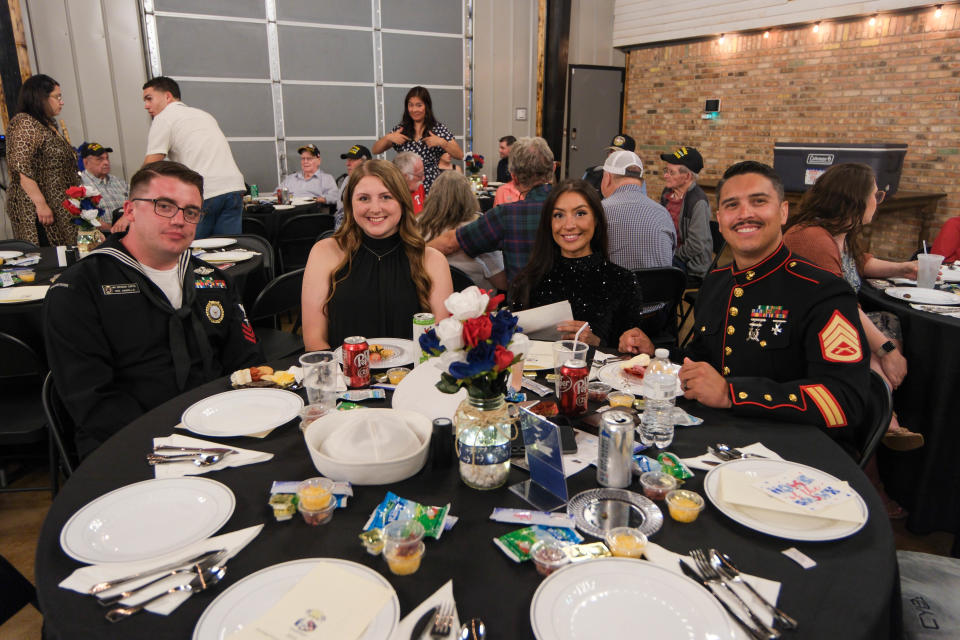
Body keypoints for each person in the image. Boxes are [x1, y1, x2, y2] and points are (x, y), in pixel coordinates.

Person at [620, 161, 871, 441]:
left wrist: (733, 394)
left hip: (787, 450)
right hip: (715, 436)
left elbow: (845, 402)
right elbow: (703, 358)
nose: (744, 214)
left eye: (759, 201)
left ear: (784, 212)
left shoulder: (822, 292)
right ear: (720, 219)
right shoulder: (717, 281)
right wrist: (656, 353)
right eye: (731, 205)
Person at [43, 161, 262, 458]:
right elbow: (92, 401)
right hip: (130, 446)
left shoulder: (215, 280)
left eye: (191, 211)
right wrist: (175, 443)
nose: (179, 220)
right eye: (164, 206)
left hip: (220, 430)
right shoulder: (79, 290)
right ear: (130, 210)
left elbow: (245, 362)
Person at [783, 162, 922, 451]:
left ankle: (882, 413)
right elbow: (840, 306)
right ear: (854, 199)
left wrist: (904, 268)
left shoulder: (838, 232)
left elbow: (860, 262)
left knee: (887, 319)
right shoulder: (811, 238)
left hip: (834, 319)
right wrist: (887, 350)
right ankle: (882, 418)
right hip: (805, 330)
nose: (878, 201)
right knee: (877, 335)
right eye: (876, 195)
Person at [301, 159, 453, 350]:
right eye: (364, 198)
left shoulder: (432, 260)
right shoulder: (325, 253)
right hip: (343, 376)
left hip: (412, 377)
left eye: (386, 197)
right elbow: (314, 340)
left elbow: (440, 342)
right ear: (350, 204)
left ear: (402, 201)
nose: (375, 208)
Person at [509, 179, 646, 349]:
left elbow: (629, 356)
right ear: (549, 223)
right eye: (559, 215)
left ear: (596, 219)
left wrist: (596, 343)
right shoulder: (527, 280)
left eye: (580, 213)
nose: (569, 225)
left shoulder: (623, 281)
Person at [428, 136, 555, 285]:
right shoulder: (575, 208)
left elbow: (450, 243)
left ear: (514, 178)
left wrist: (414, 257)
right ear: (553, 168)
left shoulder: (505, 215)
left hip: (526, 304)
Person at [142, 76, 245, 239]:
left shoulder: (163, 118)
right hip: (233, 188)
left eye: (149, 99)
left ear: (167, 96)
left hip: (206, 191)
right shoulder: (204, 115)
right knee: (228, 253)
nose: (146, 106)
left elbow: (151, 166)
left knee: (192, 251)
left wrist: (135, 203)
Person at [5, 74, 80, 246]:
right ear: (40, 97)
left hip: (59, 205)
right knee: (48, 256)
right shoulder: (24, 122)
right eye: (57, 97)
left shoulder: (47, 124)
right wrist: (41, 204)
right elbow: (20, 165)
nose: (61, 102)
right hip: (36, 209)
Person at [418, 171, 506, 291]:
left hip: (429, 301)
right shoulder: (478, 229)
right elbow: (501, 282)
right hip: (477, 305)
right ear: (468, 196)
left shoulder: (416, 225)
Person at [372, 86, 463, 193]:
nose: (414, 109)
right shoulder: (401, 129)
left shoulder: (438, 129)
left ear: (426, 107)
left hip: (431, 187)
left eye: (419, 105)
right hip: (405, 187)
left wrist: (442, 143)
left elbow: (460, 155)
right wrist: (388, 137)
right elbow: (375, 150)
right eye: (411, 105)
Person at [600, 150, 675, 270]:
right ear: (641, 180)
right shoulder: (663, 214)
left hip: (617, 287)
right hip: (659, 288)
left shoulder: (600, 211)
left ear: (607, 178)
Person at [659, 146, 713, 286]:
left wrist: (668, 255)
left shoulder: (698, 201)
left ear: (687, 176)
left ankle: (662, 308)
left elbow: (696, 246)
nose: (665, 175)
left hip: (691, 266)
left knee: (657, 277)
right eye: (666, 170)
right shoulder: (667, 193)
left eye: (671, 172)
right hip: (669, 255)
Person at [79, 142, 127, 230]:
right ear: (86, 163)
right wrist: (112, 229)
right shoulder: (80, 185)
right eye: (100, 159)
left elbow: (135, 204)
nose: (106, 162)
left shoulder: (119, 182)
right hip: (101, 236)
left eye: (107, 158)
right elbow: (82, 217)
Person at [335, 144, 372, 228]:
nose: (347, 164)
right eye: (348, 160)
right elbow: (339, 205)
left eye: (352, 160)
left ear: (365, 162)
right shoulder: (347, 179)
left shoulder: (373, 182)